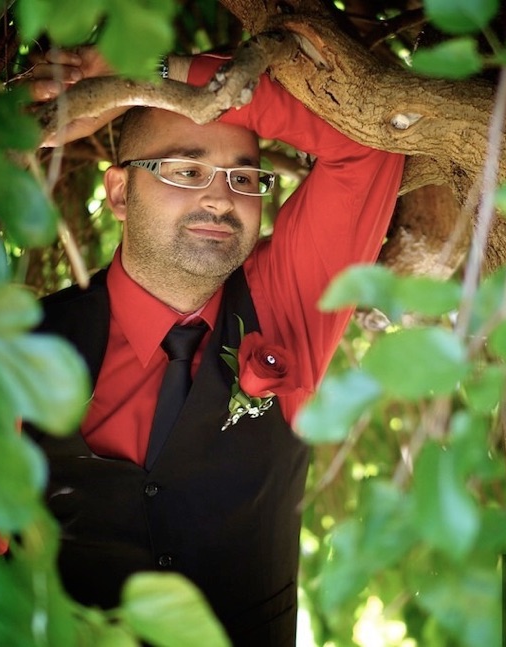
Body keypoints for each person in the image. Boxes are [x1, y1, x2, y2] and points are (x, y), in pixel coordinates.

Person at [26, 45, 405, 646]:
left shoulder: (285, 307)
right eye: (185, 169)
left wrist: (152, 72)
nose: (221, 198)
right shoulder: (24, 346)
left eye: (245, 177)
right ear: (120, 193)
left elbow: (370, 138)